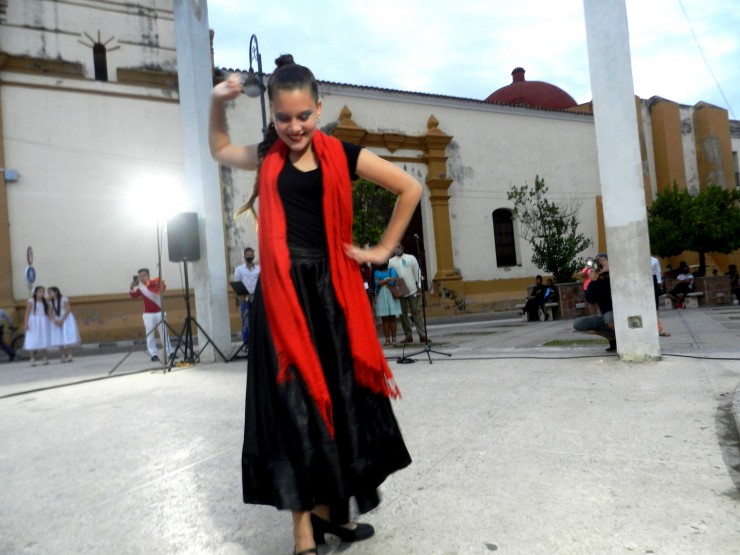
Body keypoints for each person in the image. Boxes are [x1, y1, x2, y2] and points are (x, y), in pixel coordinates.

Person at [209, 55, 420, 555]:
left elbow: (410, 189)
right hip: (282, 297)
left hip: (332, 295)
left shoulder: (343, 154)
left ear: (318, 110)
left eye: (303, 116)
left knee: (341, 402)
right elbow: (218, 147)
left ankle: (335, 514)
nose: (294, 126)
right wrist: (216, 103)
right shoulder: (265, 156)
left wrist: (382, 249)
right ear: (274, 117)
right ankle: (303, 530)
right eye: (284, 118)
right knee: (293, 407)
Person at [573, 254, 616, 352]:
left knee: (609, 317)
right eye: (597, 263)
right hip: (607, 315)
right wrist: (595, 281)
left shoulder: (616, 276)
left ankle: (624, 339)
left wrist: (606, 268)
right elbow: (590, 299)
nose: (600, 264)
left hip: (621, 314)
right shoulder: (597, 281)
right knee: (579, 323)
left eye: (602, 262)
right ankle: (613, 338)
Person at [129, 268, 173, 362]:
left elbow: (162, 288)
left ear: (149, 275)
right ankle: (153, 354)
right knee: (150, 335)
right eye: (140, 276)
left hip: (160, 312)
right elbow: (133, 295)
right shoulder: (141, 289)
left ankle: (170, 352)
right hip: (148, 314)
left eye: (144, 275)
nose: (142, 278)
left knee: (164, 333)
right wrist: (132, 286)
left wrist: (149, 284)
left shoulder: (156, 283)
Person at [388, 243, 427, 343]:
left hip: (412, 289)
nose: (398, 248)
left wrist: (419, 287)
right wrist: (393, 290)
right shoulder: (391, 262)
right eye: (395, 247)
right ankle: (408, 335)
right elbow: (390, 276)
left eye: (399, 246)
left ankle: (422, 335)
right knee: (403, 314)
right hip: (400, 291)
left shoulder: (411, 258)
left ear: (403, 247)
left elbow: (417, 272)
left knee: (416, 312)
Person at [233, 247, 260, 347]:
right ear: (244, 256)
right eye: (247, 255)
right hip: (245, 298)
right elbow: (237, 283)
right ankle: (247, 344)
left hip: (256, 298)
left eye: (251, 255)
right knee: (246, 322)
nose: (249, 257)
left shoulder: (258, 269)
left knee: (256, 321)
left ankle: (256, 344)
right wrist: (239, 295)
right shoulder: (239, 270)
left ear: (254, 256)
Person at [48, 286, 81, 363]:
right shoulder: (50, 302)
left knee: (67, 336)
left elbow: (68, 309)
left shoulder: (63, 299)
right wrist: (55, 321)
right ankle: (62, 355)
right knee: (59, 337)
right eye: (48, 293)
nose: (49, 294)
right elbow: (50, 313)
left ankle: (69, 354)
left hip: (66, 318)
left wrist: (62, 320)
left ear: (56, 292)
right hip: (56, 319)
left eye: (50, 292)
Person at [373, 262, 401, 344]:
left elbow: (394, 280)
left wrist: (383, 281)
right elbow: (377, 283)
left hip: (392, 294)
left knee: (392, 317)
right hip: (382, 295)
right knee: (384, 319)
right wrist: (388, 279)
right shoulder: (376, 272)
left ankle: (394, 339)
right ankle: (387, 340)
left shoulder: (392, 270)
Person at [23, 286, 51, 366]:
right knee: (32, 338)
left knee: (43, 338)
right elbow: (27, 313)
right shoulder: (31, 301)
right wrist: (26, 323)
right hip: (33, 321)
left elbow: (48, 313)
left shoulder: (45, 302)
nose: (41, 293)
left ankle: (45, 357)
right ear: (35, 293)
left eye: (43, 292)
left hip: (43, 321)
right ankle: (32, 358)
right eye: (40, 292)